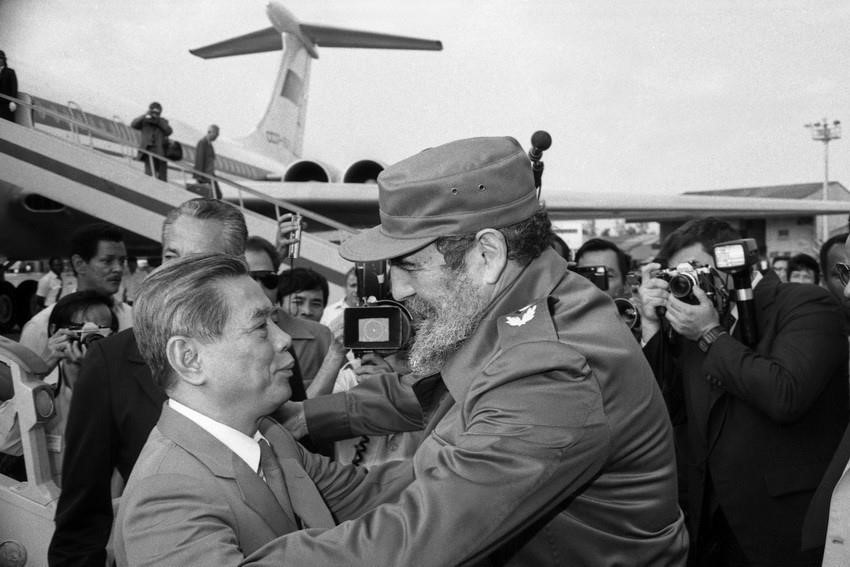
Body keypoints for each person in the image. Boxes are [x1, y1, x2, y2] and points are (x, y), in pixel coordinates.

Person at [246, 136, 688, 565]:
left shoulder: (547, 367)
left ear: (487, 254)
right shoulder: (517, 312)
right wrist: (304, 436)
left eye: (411, 265)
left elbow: (421, 538)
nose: (398, 290)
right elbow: (428, 405)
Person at [115, 254, 408, 566]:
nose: (283, 340)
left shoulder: (271, 438)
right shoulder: (167, 497)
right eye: (259, 327)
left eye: (275, 323)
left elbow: (371, 493)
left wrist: (462, 469)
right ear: (189, 358)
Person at [48, 198, 248, 566]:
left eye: (198, 261)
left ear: (236, 268)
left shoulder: (271, 351)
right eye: (172, 257)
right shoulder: (111, 364)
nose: (177, 273)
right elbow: (81, 514)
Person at [638, 217, 849, 566]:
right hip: (711, 529)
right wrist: (651, 325)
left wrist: (709, 334)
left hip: (784, 527)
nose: (686, 283)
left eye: (694, 270)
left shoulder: (805, 304)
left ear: (732, 261)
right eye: (677, 274)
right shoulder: (699, 317)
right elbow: (667, 408)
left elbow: (786, 395)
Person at [0, 291, 117, 482]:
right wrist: (38, 371)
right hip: (51, 501)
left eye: (99, 332)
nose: (88, 340)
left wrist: (94, 374)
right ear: (55, 332)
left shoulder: (122, 388)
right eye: (80, 330)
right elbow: (7, 445)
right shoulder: (43, 391)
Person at [19, 223, 130, 368]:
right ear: (79, 264)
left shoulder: (135, 319)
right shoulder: (41, 326)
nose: (118, 269)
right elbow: (24, 385)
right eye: (107, 261)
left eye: (122, 261)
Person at [246, 236, 341, 396]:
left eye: (269, 279)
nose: (259, 287)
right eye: (250, 277)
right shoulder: (213, 338)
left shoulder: (323, 337)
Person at [130, 101, 172, 182]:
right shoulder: (145, 121)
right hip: (147, 151)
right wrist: (145, 115)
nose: (155, 114)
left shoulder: (163, 121)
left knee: (162, 178)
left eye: (157, 112)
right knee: (148, 176)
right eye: (153, 111)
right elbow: (133, 124)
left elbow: (169, 131)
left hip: (160, 153)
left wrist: (158, 121)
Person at [320, 265, 357, 341]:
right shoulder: (328, 312)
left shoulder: (376, 311)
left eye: (361, 286)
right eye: (353, 285)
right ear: (345, 287)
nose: (357, 290)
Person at [193, 124, 220, 198]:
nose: (217, 136)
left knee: (218, 195)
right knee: (215, 196)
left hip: (210, 175)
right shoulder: (202, 143)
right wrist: (198, 177)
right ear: (210, 132)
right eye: (216, 134)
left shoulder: (209, 145)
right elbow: (199, 160)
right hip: (205, 177)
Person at [0, 50, 17, 122]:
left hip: (5, 105)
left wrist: (13, 102)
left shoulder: (10, 72)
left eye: (0, 58)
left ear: (4, 60)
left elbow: (14, 88)